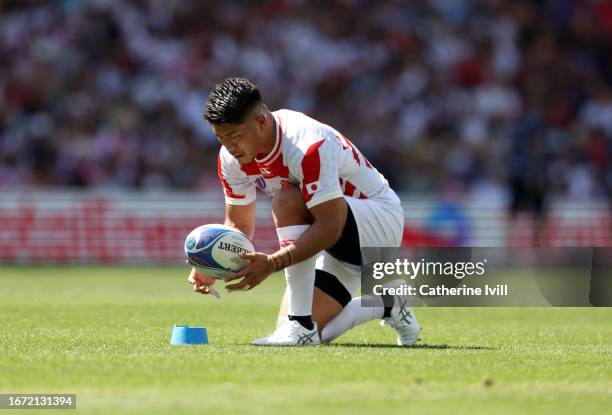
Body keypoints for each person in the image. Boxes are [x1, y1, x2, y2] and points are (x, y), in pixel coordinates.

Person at [187, 77, 419, 346]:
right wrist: (213, 263)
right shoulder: (231, 158)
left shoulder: (306, 144)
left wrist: (273, 263)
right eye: (221, 138)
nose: (229, 147)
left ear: (261, 122)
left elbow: (331, 225)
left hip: (378, 224)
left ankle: (299, 324)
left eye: (235, 136)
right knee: (307, 335)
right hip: (335, 239)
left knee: (287, 198)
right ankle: (388, 303)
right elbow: (238, 225)